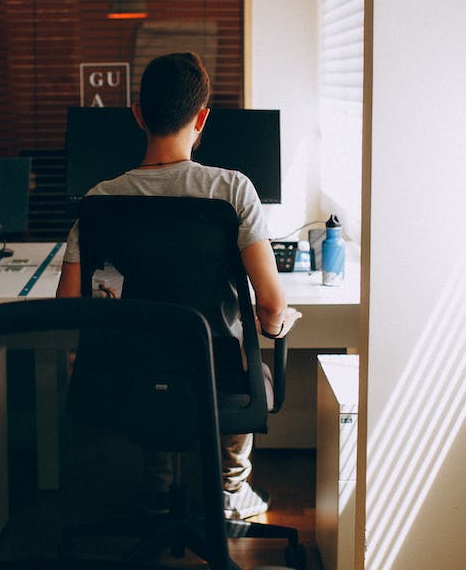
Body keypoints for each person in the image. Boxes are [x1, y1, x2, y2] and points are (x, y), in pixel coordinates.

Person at [56, 51, 302, 520]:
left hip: (127, 378)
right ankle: (231, 489)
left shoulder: (100, 200)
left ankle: (158, 485)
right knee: (233, 355)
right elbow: (271, 305)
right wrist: (273, 325)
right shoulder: (232, 190)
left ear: (138, 114)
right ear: (202, 117)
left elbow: (70, 308)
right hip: (215, 377)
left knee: (150, 359)